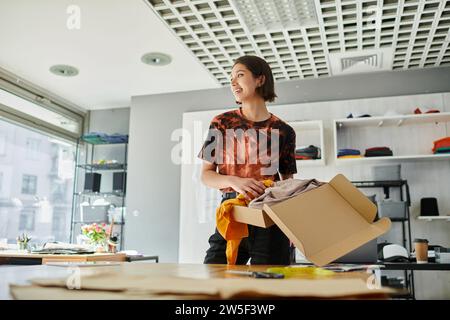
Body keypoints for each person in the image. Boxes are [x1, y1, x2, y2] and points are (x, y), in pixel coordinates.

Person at [198, 55, 297, 265]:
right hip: (232, 210)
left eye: (240, 75)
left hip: (270, 214)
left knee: (269, 287)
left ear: (260, 80)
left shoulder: (284, 131)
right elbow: (206, 175)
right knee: (215, 277)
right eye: (231, 77)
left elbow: (288, 184)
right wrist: (235, 181)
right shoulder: (221, 123)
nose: (233, 82)